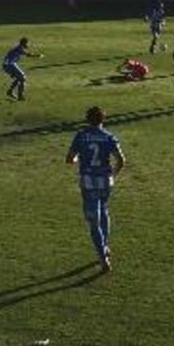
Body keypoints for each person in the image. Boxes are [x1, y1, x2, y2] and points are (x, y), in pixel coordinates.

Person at [66, 106, 125, 272]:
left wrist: (78, 158)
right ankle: (105, 246)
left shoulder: (81, 136)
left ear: (87, 119)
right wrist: (113, 174)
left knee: (93, 220)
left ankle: (102, 256)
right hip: (105, 181)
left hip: (88, 181)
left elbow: (70, 159)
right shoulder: (109, 137)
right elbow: (121, 160)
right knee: (104, 211)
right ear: (103, 120)